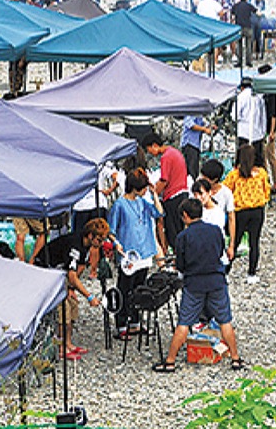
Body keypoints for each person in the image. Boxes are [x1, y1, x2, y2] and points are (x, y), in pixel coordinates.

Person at [152, 198, 243, 373]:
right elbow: (219, 252)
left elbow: (182, 264)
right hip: (216, 281)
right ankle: (235, 358)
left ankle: (170, 361)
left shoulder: (183, 237)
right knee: (225, 320)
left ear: (185, 216)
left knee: (184, 322)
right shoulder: (216, 230)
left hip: (194, 284)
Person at [39, 218, 109, 360]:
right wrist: (89, 296)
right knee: (63, 309)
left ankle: (69, 343)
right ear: (90, 235)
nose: (101, 244)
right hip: (46, 271)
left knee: (73, 305)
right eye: (100, 240)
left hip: (61, 273)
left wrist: (72, 288)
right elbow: (71, 275)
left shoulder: (87, 245)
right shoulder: (75, 245)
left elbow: (81, 267)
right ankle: (61, 347)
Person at [107, 169, 163, 339]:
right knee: (125, 288)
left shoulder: (142, 202)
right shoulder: (119, 205)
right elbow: (111, 230)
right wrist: (116, 244)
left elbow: (159, 213)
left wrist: (154, 195)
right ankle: (121, 323)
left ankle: (135, 322)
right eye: (143, 187)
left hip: (145, 252)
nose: (145, 190)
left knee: (140, 288)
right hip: (128, 254)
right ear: (134, 187)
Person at [223, 144, 270, 284]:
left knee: (234, 241)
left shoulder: (234, 175)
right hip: (257, 211)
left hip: (240, 212)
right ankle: (251, 273)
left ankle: (225, 272)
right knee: (254, 242)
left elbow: (225, 190)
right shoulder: (261, 173)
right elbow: (266, 191)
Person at [141, 133, 188, 257]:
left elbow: (164, 180)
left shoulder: (166, 157)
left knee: (172, 231)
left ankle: (179, 259)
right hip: (182, 193)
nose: (150, 153)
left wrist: (153, 193)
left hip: (173, 196)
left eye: (149, 149)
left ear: (155, 145)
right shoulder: (175, 152)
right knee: (179, 228)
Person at [234, 78, 266, 150]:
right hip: (257, 134)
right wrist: (263, 132)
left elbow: (235, 115)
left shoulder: (240, 97)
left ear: (242, 87)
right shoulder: (259, 97)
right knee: (257, 158)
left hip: (244, 133)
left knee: (244, 157)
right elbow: (263, 116)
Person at [180, 115, 212, 182]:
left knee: (194, 169)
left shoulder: (199, 115)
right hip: (189, 144)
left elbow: (201, 126)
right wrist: (205, 129)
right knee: (192, 171)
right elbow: (191, 125)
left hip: (195, 145)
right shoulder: (191, 112)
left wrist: (209, 127)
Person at [231, 0, 256, 68]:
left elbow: (232, 15)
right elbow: (256, 12)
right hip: (248, 27)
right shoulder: (249, 6)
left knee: (239, 45)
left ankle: (239, 62)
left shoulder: (236, 6)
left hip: (238, 27)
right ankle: (248, 62)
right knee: (248, 45)